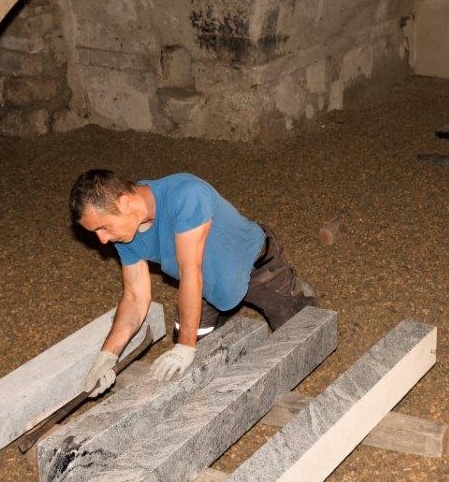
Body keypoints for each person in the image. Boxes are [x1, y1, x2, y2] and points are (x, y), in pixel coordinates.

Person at [68, 169, 315, 396]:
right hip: (204, 288)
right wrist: (107, 356)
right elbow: (135, 298)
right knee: (190, 366)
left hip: (257, 268)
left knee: (302, 333)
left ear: (125, 202)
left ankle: (295, 291)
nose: (102, 240)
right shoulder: (125, 234)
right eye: (95, 232)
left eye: (103, 227)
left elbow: (190, 273)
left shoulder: (186, 195)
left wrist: (186, 347)